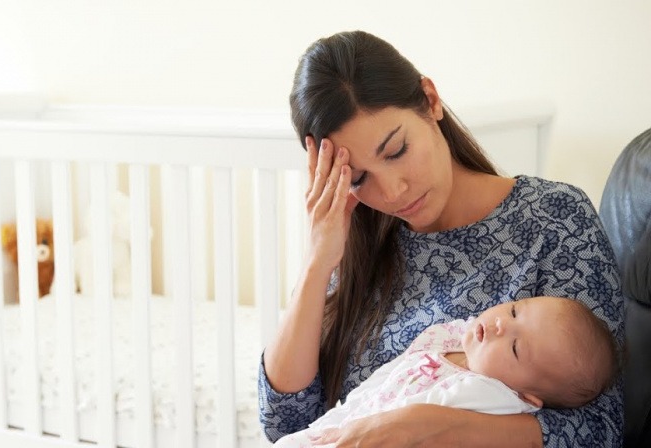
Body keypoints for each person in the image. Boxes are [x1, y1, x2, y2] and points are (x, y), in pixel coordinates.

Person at [259, 30, 624, 447]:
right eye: (359, 178)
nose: (393, 191)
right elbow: (284, 423)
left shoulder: (554, 220)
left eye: (396, 150)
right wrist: (316, 263)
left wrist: (434, 428)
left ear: (430, 101)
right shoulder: (351, 248)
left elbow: (600, 431)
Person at [274, 296, 620, 448]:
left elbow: (410, 426)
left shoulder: (491, 396)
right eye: (514, 311)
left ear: (527, 398)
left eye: (515, 348)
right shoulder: (457, 338)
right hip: (341, 425)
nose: (500, 326)